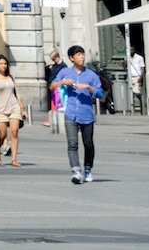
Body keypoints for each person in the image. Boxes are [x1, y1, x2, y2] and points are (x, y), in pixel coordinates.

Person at [53, 44, 104, 183]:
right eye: (78, 54)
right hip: (70, 113)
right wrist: (63, 82)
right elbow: (52, 86)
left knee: (88, 143)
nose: (82, 57)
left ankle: (88, 169)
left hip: (86, 114)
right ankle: (76, 171)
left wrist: (88, 87)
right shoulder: (65, 72)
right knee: (72, 144)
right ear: (71, 58)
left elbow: (100, 94)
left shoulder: (91, 75)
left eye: (82, 54)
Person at [0, 54, 25, 167]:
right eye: (1, 63)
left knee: (14, 132)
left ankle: (14, 159)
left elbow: (17, 94)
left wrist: (22, 109)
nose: (4, 66)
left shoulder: (11, 77)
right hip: (0, 108)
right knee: (2, 134)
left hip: (14, 107)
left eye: (5, 63)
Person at [44, 50, 65, 130]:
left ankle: (51, 120)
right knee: (53, 103)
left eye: (54, 58)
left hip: (58, 88)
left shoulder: (63, 66)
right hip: (53, 86)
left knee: (56, 103)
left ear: (57, 56)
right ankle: (51, 119)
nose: (53, 60)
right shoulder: (55, 65)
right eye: (52, 59)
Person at [128, 48, 145, 113]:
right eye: (129, 50)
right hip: (129, 77)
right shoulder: (127, 57)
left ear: (134, 50)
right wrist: (125, 61)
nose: (130, 51)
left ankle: (142, 105)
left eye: (132, 50)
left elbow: (142, 68)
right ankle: (132, 109)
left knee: (136, 91)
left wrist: (140, 77)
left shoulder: (139, 58)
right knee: (130, 92)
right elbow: (124, 66)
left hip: (137, 77)